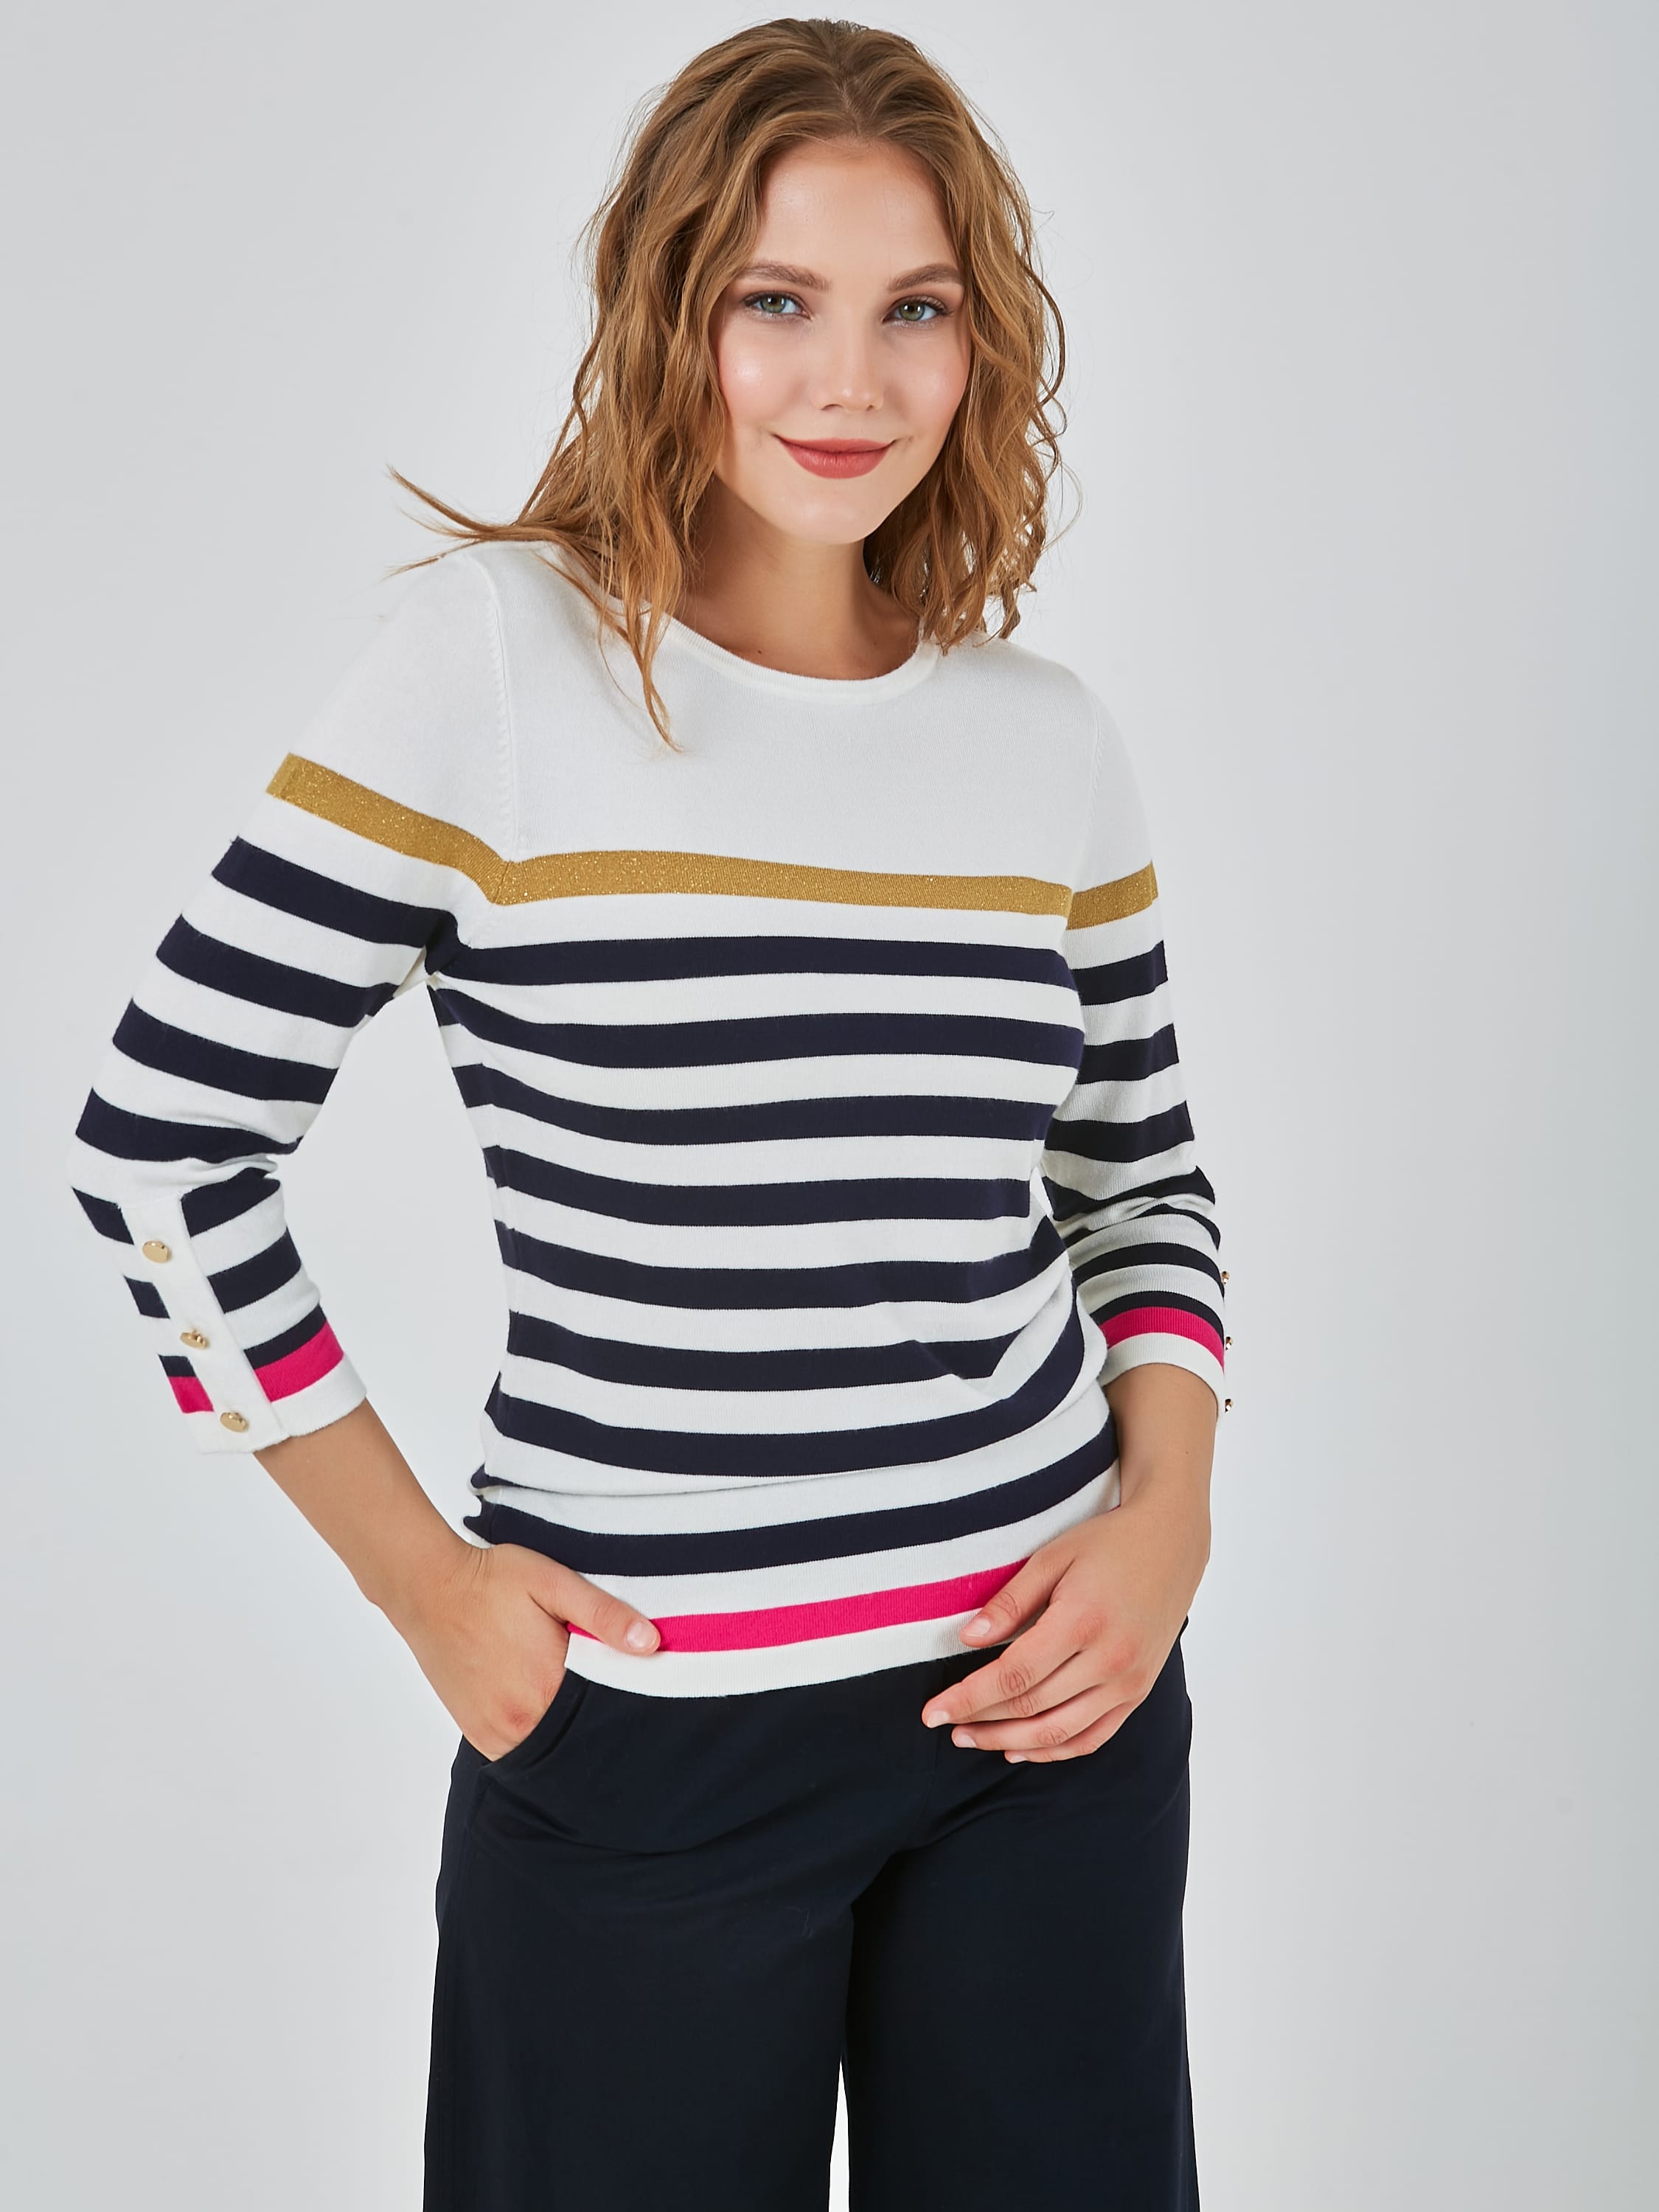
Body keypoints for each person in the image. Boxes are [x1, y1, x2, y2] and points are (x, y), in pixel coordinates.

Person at [68, 18, 1227, 2209]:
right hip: (645, 1745)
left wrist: (1164, 1516)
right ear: (666, 309)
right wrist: (428, 1591)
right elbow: (162, 1143)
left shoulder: (1044, 740)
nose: (848, 381)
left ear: (982, 343)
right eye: (776, 301)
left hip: (1051, 1726)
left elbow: (1139, 1182)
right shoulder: (496, 668)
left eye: (915, 310)